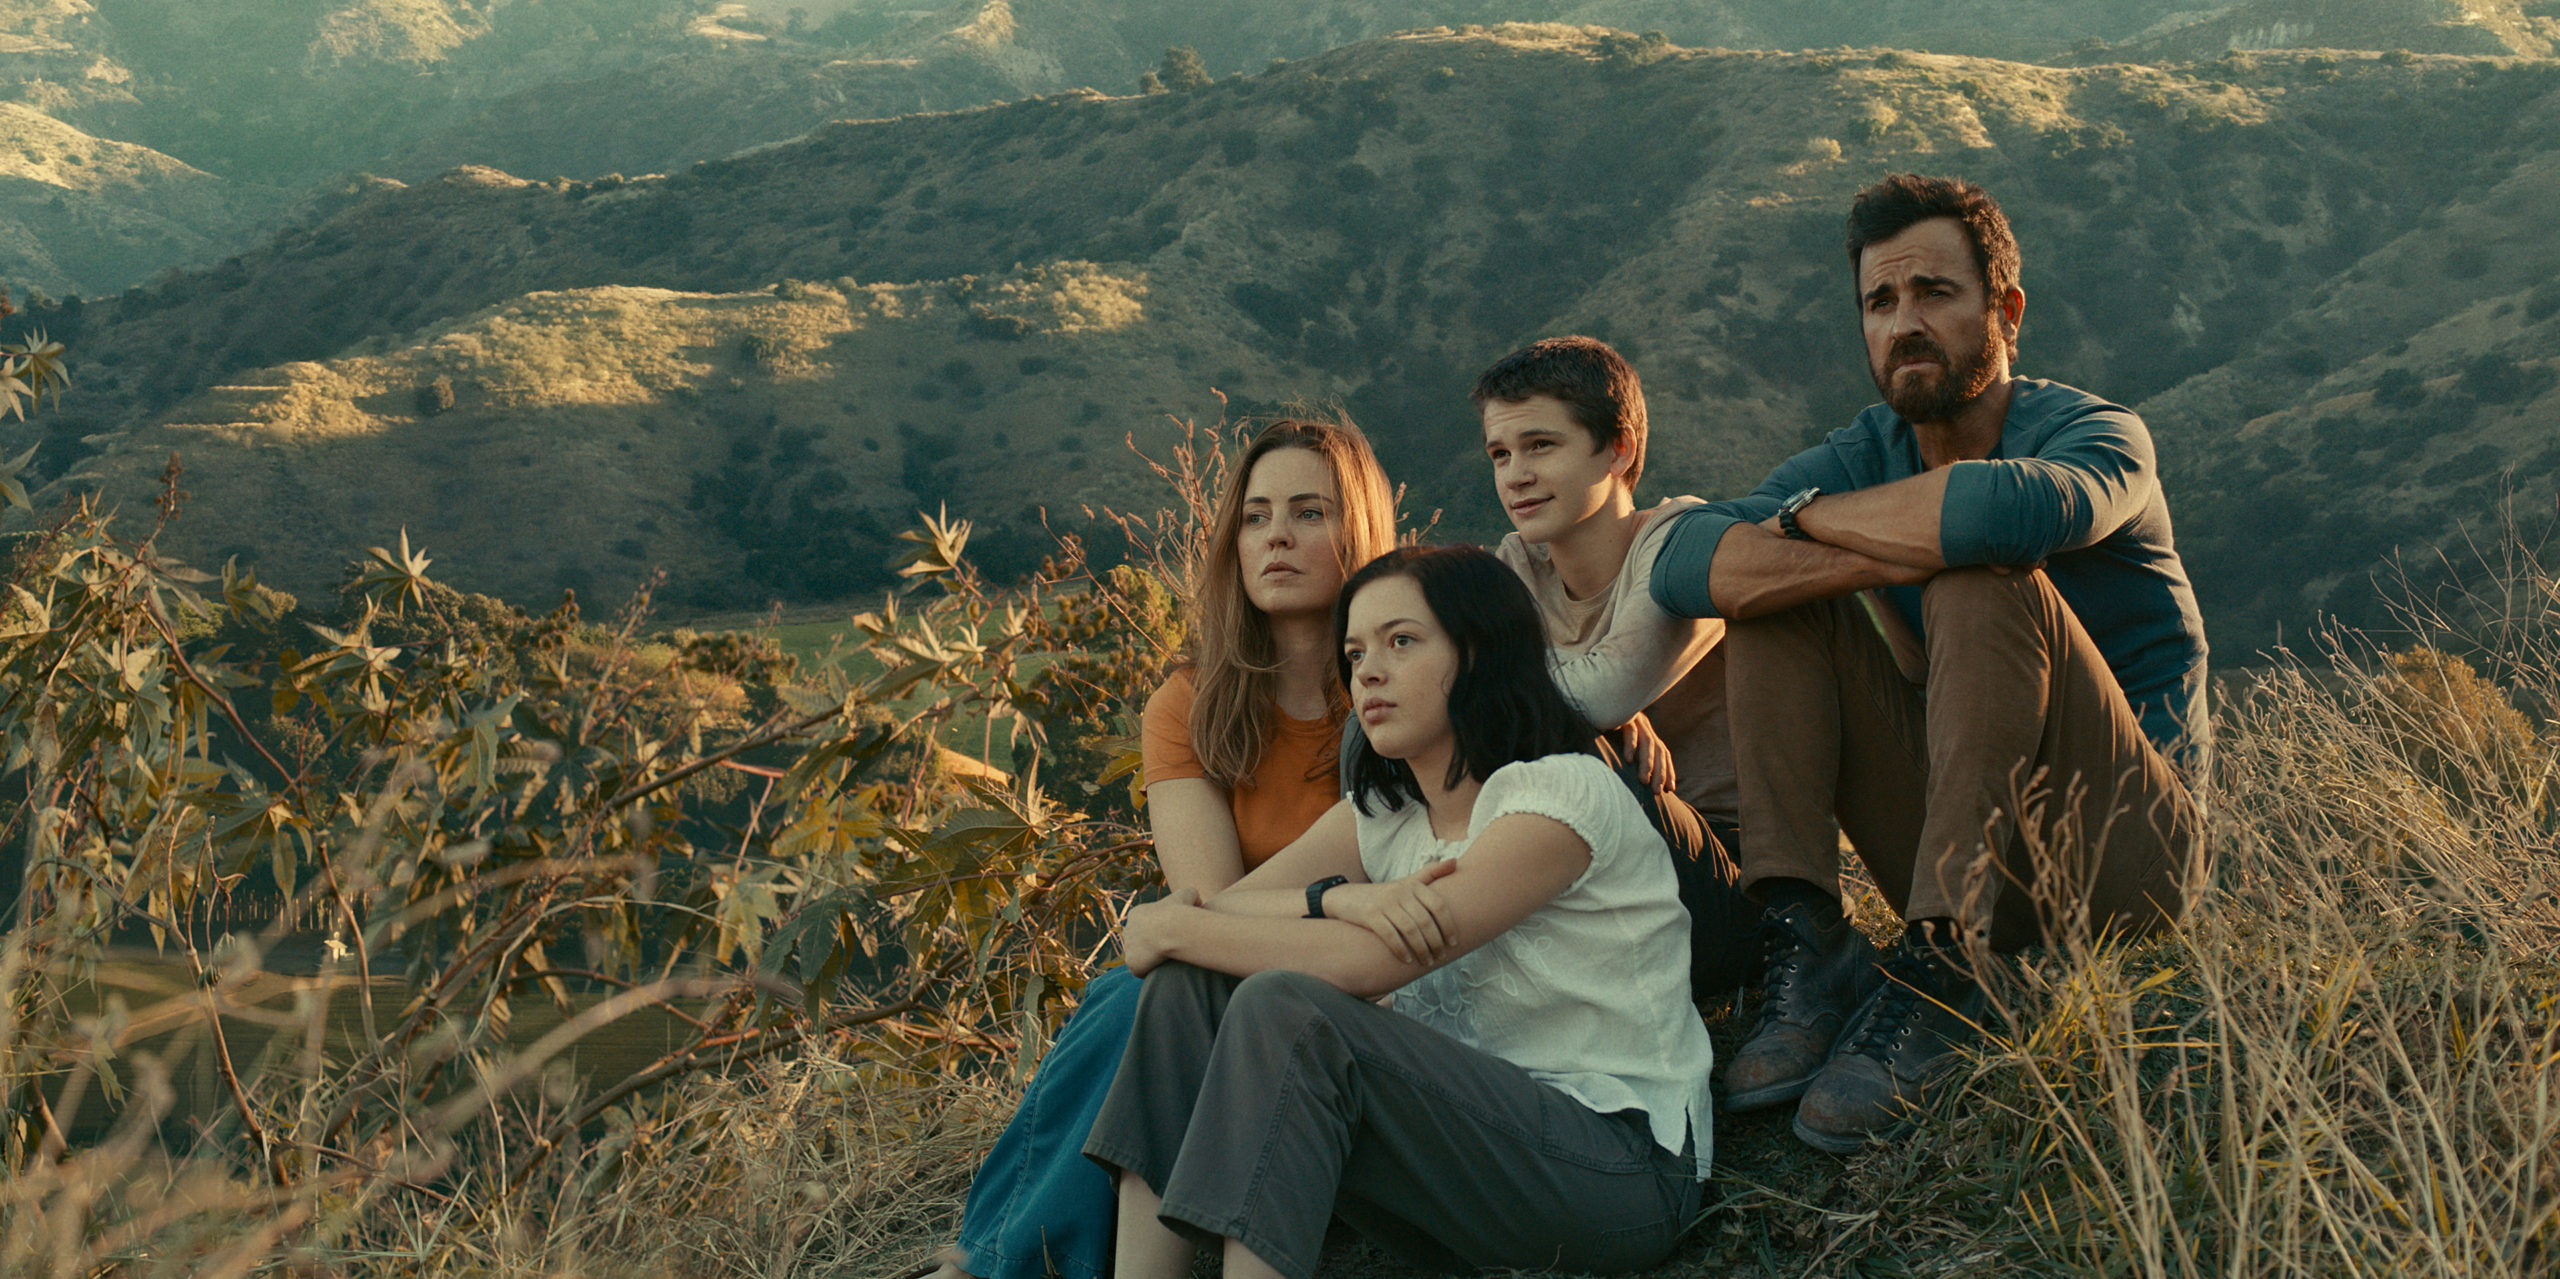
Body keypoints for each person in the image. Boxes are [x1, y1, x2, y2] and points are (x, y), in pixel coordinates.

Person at [1648, 173, 2208, 1152]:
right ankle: (1809, 939)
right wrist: (1832, 547)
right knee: (1771, 596)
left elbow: (2000, 513)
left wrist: (1805, 523)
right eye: (1880, 301)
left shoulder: (2097, 433)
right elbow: (1683, 557)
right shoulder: (1864, 452)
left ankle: (1951, 965)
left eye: (1935, 293)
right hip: (1955, 822)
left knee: (1977, 573)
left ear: (2006, 311)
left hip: (2124, 855)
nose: (1904, 322)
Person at [1087, 546, 1715, 1279]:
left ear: (1478, 651)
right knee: (1190, 984)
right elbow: (1222, 915)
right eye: (1355, 653)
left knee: (1283, 1007)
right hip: (1468, 1171)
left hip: (1619, 1172)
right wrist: (1335, 896)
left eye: (1402, 641)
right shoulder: (1383, 819)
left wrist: (1171, 925)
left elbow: (1370, 962)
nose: (1369, 672)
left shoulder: (1559, 796)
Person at [930, 417, 1397, 1279]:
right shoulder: (1191, 703)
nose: (1277, 536)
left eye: (1309, 512)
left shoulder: (1398, 692)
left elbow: (1206, 924)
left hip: (1365, 993)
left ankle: (988, 1264)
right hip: (1228, 989)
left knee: (1132, 993)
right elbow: (1207, 910)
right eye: (1255, 516)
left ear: (1360, 530)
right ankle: (1001, 1261)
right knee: (1144, 991)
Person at [1472, 334, 1758, 998]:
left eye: (1541, 445)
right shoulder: (1517, 567)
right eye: (1500, 454)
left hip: (1727, 884)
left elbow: (1604, 693)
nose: (1515, 475)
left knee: (1589, 752)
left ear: (1619, 448)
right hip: (1596, 868)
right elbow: (1446, 690)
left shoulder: (1682, 539)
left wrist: (1592, 718)